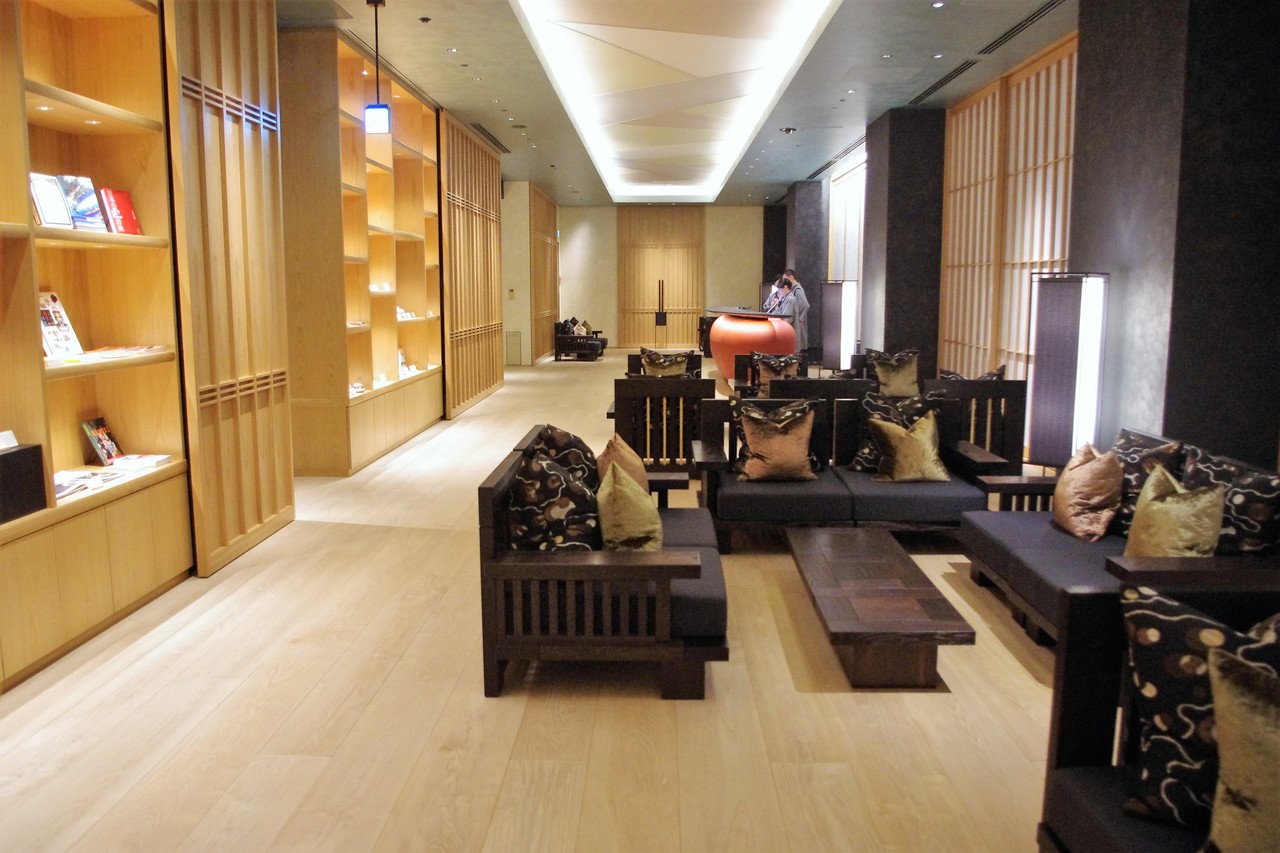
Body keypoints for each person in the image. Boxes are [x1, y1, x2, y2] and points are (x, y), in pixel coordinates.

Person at [782, 269, 809, 352]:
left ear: (791, 277)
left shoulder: (797, 290)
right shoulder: (794, 290)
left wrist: (799, 318)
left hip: (797, 323)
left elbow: (805, 305)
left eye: (786, 279)